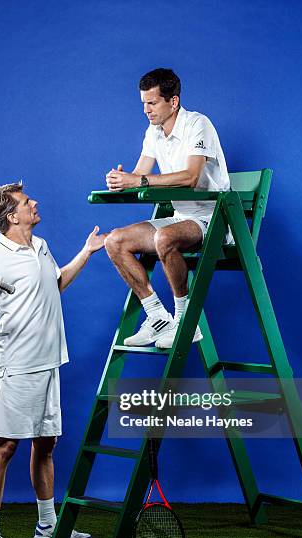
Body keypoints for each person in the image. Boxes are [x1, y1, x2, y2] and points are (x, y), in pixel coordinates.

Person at [0, 181, 106, 538]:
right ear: (12, 216)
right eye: (26, 202)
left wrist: (86, 252)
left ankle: (47, 525)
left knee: (46, 444)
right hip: (16, 365)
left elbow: (55, 285)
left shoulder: (40, 246)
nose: (34, 203)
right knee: (5, 446)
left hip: (49, 360)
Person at [104, 68, 230, 349]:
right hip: (180, 218)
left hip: (213, 219)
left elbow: (190, 177)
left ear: (173, 102)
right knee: (114, 241)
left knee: (164, 238)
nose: (146, 110)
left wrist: (139, 180)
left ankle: (187, 321)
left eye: (152, 103)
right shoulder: (153, 132)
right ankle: (158, 317)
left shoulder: (198, 124)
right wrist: (121, 181)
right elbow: (140, 173)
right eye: (143, 104)